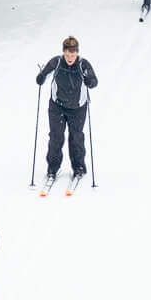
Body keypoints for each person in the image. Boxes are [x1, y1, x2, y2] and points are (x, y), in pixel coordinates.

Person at [34, 36, 97, 189]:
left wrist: (90, 81)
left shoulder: (83, 64)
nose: (70, 57)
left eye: (73, 54)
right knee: (56, 137)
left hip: (78, 108)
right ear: (63, 52)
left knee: (76, 138)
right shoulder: (56, 62)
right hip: (57, 106)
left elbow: (94, 81)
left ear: (77, 53)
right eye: (67, 54)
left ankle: (79, 167)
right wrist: (41, 77)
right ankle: (53, 168)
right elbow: (44, 73)